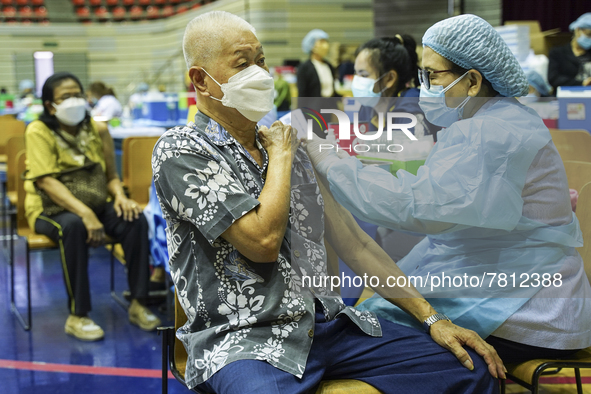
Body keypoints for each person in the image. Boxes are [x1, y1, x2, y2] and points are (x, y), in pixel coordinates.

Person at [153, 11, 504, 394]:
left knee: (472, 369)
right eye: (242, 64)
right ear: (202, 80)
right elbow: (262, 243)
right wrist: (283, 157)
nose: (260, 74)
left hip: (325, 326)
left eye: (261, 61)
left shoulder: (288, 145)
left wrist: (433, 318)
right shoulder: (182, 150)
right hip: (244, 342)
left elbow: (356, 244)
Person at [307, 14, 591, 365]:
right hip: (496, 276)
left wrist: (330, 159)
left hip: (526, 305)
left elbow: (416, 206)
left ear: (472, 80)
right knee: (373, 316)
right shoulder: (484, 119)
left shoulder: (495, 131)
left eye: (432, 75)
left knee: (365, 338)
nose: (424, 84)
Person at [25, 72, 161, 341]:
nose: (74, 101)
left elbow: (111, 175)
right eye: (66, 97)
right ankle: (78, 315)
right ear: (50, 105)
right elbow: (46, 182)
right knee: (72, 227)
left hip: (96, 203)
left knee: (135, 220)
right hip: (51, 209)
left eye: (78, 94)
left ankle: (139, 303)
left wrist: (121, 197)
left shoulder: (98, 129)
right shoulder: (39, 130)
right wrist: (85, 213)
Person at [352, 35, 438, 140]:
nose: (356, 80)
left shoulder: (410, 108)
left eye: (364, 75)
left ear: (389, 78)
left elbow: (414, 154)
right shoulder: (367, 107)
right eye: (355, 73)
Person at [548, 12, 591, 90]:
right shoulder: (558, 53)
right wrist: (581, 83)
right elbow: (553, 79)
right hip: (565, 95)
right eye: (589, 34)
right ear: (578, 30)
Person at [297, 29, 337, 98]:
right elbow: (302, 95)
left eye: (326, 41)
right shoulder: (304, 68)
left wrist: (343, 97)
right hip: (314, 107)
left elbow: (331, 91)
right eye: (321, 42)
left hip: (330, 106)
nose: (325, 45)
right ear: (312, 46)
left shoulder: (329, 66)